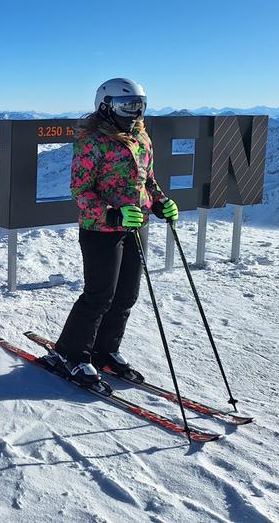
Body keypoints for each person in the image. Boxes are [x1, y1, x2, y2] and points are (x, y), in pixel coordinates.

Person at [51, 77, 178, 387]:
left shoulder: (142, 139)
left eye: (139, 106)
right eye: (126, 106)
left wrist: (160, 202)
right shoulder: (92, 140)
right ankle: (72, 352)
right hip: (100, 229)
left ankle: (105, 351)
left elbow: (147, 181)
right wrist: (112, 213)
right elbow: (80, 191)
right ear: (105, 106)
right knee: (100, 295)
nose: (134, 113)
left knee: (126, 296)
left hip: (136, 225)